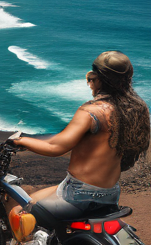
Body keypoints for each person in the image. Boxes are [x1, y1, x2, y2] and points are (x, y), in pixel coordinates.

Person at [9, 50, 150, 215]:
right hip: (110, 193)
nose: (90, 82)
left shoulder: (92, 111)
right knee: (35, 199)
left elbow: (56, 147)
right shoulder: (135, 109)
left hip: (79, 194)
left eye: (91, 78)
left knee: (18, 212)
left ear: (99, 81)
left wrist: (20, 141)